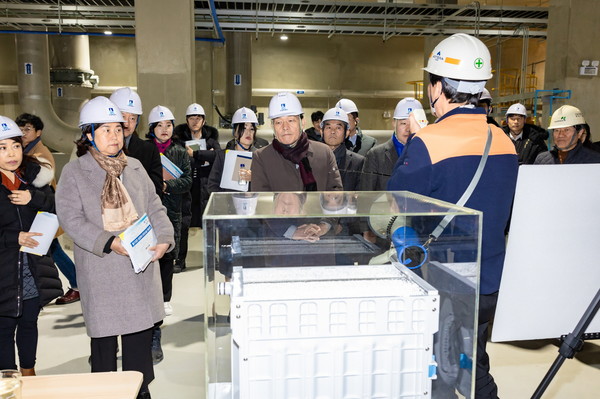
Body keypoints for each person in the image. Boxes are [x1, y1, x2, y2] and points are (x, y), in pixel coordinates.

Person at [387, 33, 518, 399]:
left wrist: (420, 138)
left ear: (438, 86)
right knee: (471, 355)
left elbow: (396, 202)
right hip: (490, 282)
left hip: (446, 284)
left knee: (444, 369)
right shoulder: (503, 140)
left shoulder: (429, 143)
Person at [56, 96, 174, 399]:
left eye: (117, 129)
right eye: (105, 130)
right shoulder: (75, 172)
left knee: (139, 338)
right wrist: (109, 242)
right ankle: (104, 391)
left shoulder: (134, 167)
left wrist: (163, 239)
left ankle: (140, 389)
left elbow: (156, 208)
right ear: (88, 134)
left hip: (140, 267)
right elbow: (71, 219)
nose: (114, 136)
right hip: (102, 269)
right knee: (104, 345)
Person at [0, 115, 62, 376]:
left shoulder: (34, 177)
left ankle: (29, 372)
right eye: (2, 148)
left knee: (28, 321)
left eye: (15, 145)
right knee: (3, 328)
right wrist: (12, 238)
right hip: (3, 269)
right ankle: (8, 378)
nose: (12, 153)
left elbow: (58, 207)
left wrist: (32, 197)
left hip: (33, 265)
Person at [15, 112, 79, 305]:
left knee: (50, 249)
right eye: (21, 129)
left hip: (42, 212)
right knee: (50, 249)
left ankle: (76, 285)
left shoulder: (39, 154)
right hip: (38, 212)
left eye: (28, 129)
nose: (23, 133)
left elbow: (40, 182)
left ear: (38, 132)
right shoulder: (25, 151)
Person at [145, 105, 191, 322]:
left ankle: (164, 298)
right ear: (152, 128)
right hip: (146, 209)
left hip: (171, 208)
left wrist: (167, 185)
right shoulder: (144, 150)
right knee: (146, 253)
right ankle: (147, 296)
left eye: (169, 125)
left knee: (167, 255)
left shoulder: (180, 152)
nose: (164, 129)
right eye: (160, 125)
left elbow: (188, 181)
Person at [251, 91, 343, 193]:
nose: (285, 127)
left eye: (291, 120)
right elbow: (261, 201)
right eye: (278, 122)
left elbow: (336, 194)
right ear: (272, 126)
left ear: (302, 123)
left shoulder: (324, 153)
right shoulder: (262, 158)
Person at [173, 103, 221, 273]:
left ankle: (212, 257)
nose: (195, 121)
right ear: (187, 120)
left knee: (209, 224)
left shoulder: (211, 140)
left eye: (198, 118)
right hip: (187, 187)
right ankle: (180, 260)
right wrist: (204, 159)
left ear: (204, 120)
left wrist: (195, 155)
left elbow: (218, 157)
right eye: (192, 118)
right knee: (184, 223)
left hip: (205, 187)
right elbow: (180, 161)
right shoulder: (179, 141)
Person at [109, 87, 163, 197]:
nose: (127, 124)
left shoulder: (149, 150)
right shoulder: (97, 150)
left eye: (132, 118)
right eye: (123, 117)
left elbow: (155, 191)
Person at [361, 97, 423, 191]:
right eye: (403, 123)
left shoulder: (428, 155)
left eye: (412, 124)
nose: (408, 129)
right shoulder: (376, 156)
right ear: (394, 123)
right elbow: (366, 195)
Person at [208, 107, 260, 193]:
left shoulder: (259, 157)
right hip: (228, 204)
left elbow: (268, 186)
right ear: (234, 131)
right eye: (244, 128)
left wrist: (255, 178)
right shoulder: (223, 156)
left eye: (252, 129)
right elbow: (212, 186)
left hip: (252, 204)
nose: (248, 132)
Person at [534, 105, 600, 164]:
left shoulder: (594, 161)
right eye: (557, 130)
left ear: (580, 133)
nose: (560, 135)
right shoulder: (542, 160)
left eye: (566, 130)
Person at [321, 107, 364, 191]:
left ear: (347, 133)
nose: (333, 131)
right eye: (328, 127)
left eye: (338, 128)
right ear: (321, 132)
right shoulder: (310, 160)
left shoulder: (358, 162)